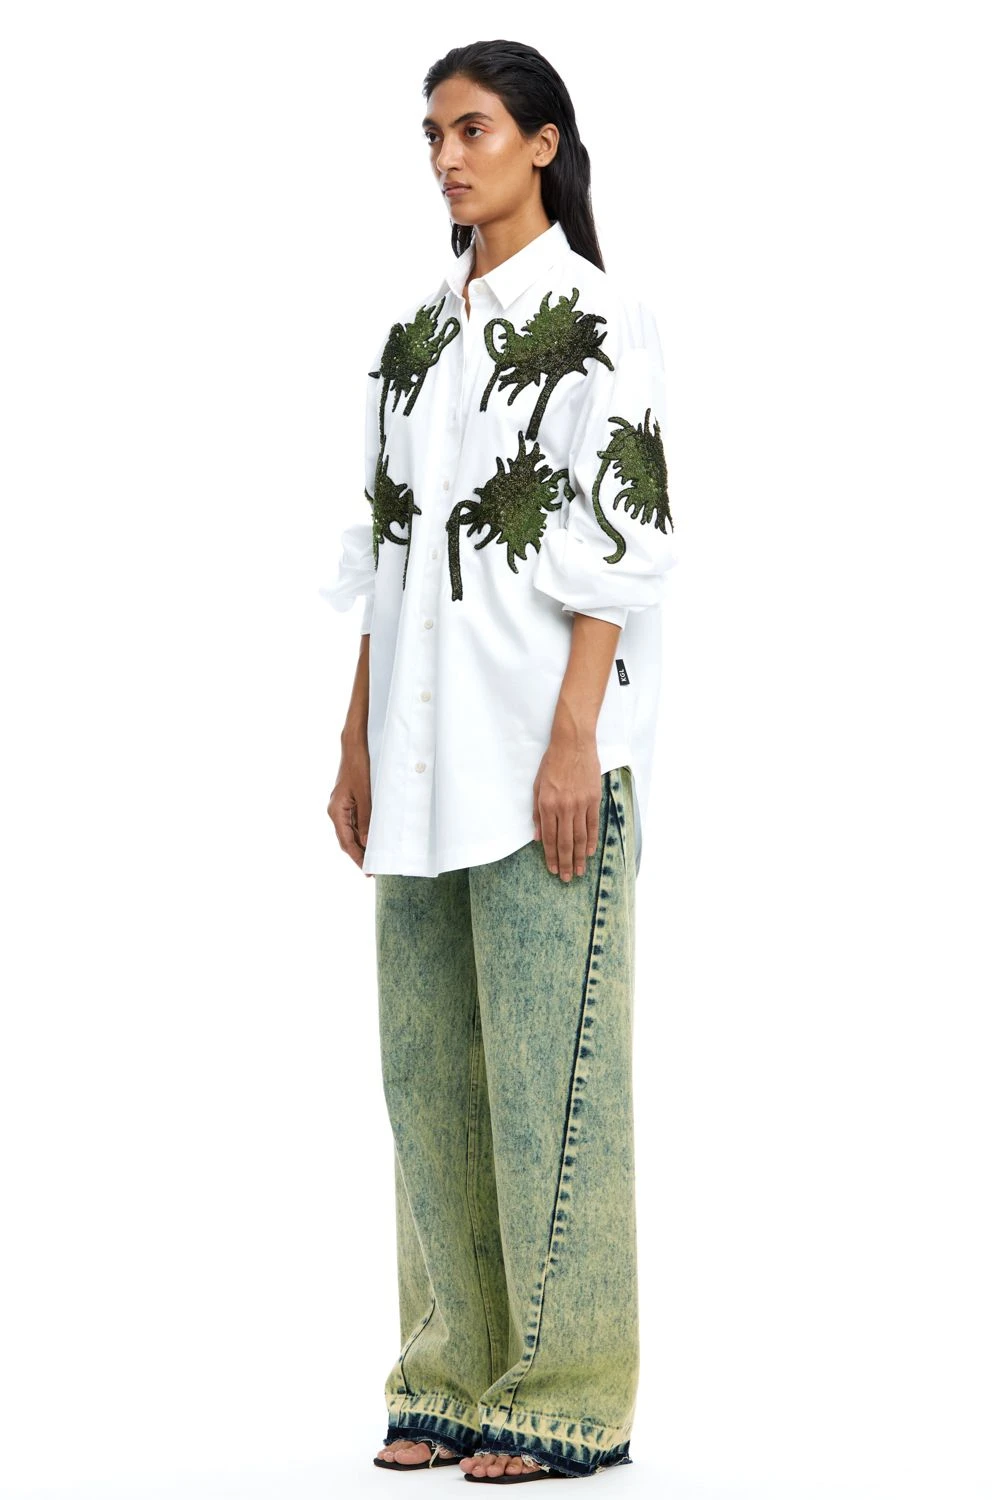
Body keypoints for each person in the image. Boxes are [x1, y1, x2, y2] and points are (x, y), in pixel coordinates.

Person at [321, 39, 677, 1484]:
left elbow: (621, 550)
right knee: (426, 1086)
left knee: (556, 1087)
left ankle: (569, 1395)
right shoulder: (414, 338)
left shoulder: (598, 322)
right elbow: (388, 546)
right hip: (416, 766)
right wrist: (353, 739)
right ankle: (449, 1371)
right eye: (432, 135)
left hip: (542, 764)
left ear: (543, 143)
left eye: (473, 130)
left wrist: (577, 739)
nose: (447, 158)